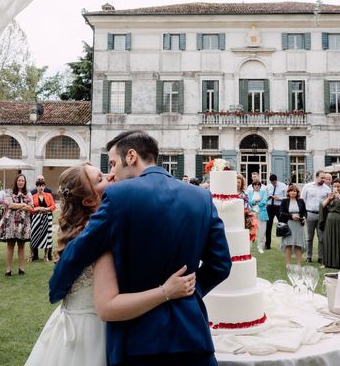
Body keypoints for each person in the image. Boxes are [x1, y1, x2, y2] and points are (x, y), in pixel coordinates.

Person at [49, 130, 231, 366]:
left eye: (113, 163)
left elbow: (79, 253)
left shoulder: (116, 196)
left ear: (131, 156)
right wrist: (188, 291)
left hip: (136, 339)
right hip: (191, 336)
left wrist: (56, 289)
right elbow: (221, 264)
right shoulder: (201, 197)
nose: (111, 173)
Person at [26, 164, 196, 366]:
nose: (111, 176)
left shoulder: (85, 226)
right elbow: (108, 307)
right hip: (90, 334)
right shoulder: (98, 234)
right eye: (101, 179)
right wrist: (166, 291)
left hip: (70, 321)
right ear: (88, 200)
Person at [0, 173, 33, 276]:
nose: (21, 182)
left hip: (23, 224)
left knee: (21, 246)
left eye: (23, 180)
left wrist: (18, 206)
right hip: (11, 223)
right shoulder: (9, 192)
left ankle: (21, 269)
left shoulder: (28, 193)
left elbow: (31, 207)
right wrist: (23, 204)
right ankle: (8, 270)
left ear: (25, 182)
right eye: (19, 180)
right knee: (10, 246)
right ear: (16, 181)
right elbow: (9, 204)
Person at [319, 179, 340, 270]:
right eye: (334, 186)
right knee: (329, 241)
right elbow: (322, 206)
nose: (336, 188)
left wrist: (339, 197)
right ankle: (327, 263)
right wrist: (328, 199)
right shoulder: (329, 196)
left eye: (338, 186)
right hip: (329, 223)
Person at [301, 170, 331, 264]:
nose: (323, 180)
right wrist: (303, 214)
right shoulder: (307, 187)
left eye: (324, 178)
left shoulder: (327, 188)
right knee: (309, 237)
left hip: (321, 215)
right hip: (310, 214)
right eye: (322, 178)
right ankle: (308, 256)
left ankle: (320, 257)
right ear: (316, 177)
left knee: (321, 237)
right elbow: (302, 200)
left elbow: (329, 201)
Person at [279, 184, 307, 266]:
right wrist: (291, 216)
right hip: (289, 225)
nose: (293, 192)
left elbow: (304, 212)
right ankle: (288, 264)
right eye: (291, 191)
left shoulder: (301, 201)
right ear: (288, 192)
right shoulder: (285, 201)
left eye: (294, 191)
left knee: (298, 245)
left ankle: (299, 265)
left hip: (298, 225)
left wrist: (304, 217)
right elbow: (281, 213)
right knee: (289, 245)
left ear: (297, 192)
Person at [29, 179, 56, 262]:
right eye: (39, 186)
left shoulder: (48, 195)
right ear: (36, 187)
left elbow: (53, 206)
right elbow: (30, 209)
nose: (41, 187)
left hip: (47, 218)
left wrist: (46, 209)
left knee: (47, 237)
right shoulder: (33, 196)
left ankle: (45, 256)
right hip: (36, 218)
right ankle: (32, 255)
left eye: (42, 186)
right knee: (33, 236)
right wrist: (38, 209)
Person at [265, 174, 287, 250]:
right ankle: (267, 244)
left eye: (274, 182)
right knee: (268, 226)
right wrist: (268, 198)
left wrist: (279, 198)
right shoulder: (268, 187)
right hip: (269, 207)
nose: (273, 184)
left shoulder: (283, 186)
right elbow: (265, 198)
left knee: (282, 225)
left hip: (279, 207)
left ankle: (285, 244)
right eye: (271, 182)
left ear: (276, 180)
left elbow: (286, 197)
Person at [248, 181, 269, 254]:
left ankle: (260, 247)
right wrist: (255, 201)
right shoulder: (250, 193)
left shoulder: (263, 192)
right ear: (253, 186)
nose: (257, 186)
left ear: (260, 186)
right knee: (251, 231)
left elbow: (264, 201)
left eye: (258, 185)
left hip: (262, 213)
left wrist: (257, 203)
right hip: (252, 213)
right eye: (255, 185)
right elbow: (249, 202)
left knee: (262, 231)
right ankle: (249, 246)